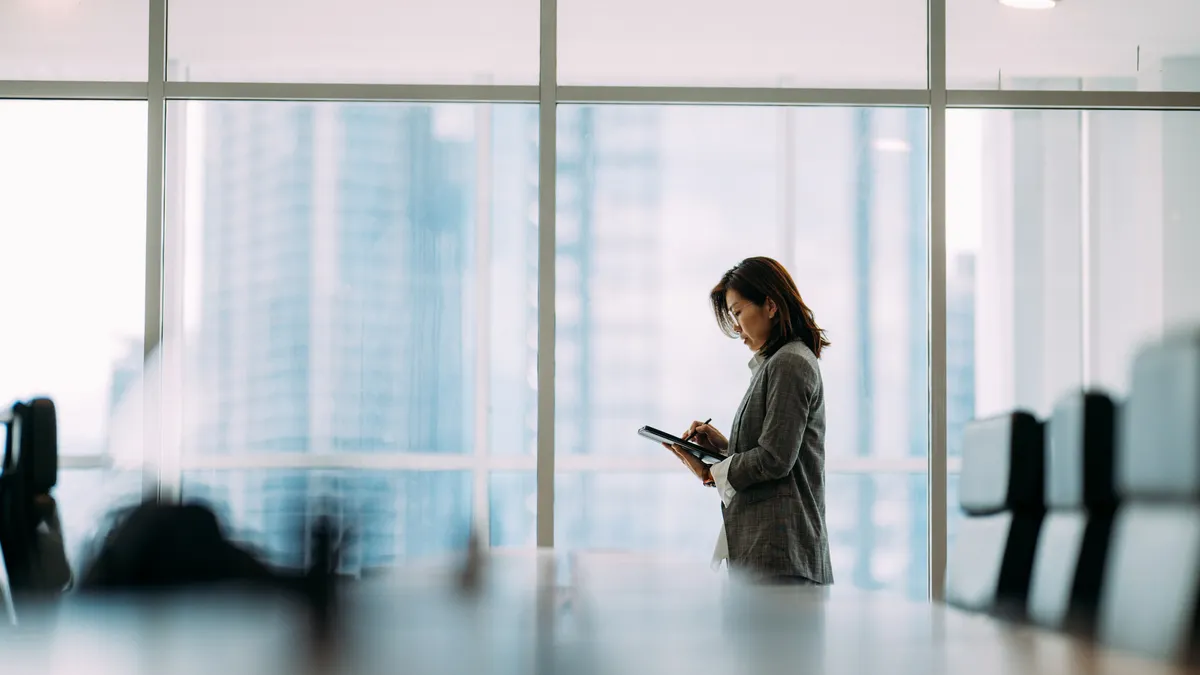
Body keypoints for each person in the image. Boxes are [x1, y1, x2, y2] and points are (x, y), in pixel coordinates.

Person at [663, 256, 832, 585]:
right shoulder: (779, 364)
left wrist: (712, 472)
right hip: (775, 554)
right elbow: (778, 452)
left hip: (782, 556)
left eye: (738, 312)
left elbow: (774, 461)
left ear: (770, 305)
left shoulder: (789, 364)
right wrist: (725, 448)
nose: (736, 327)